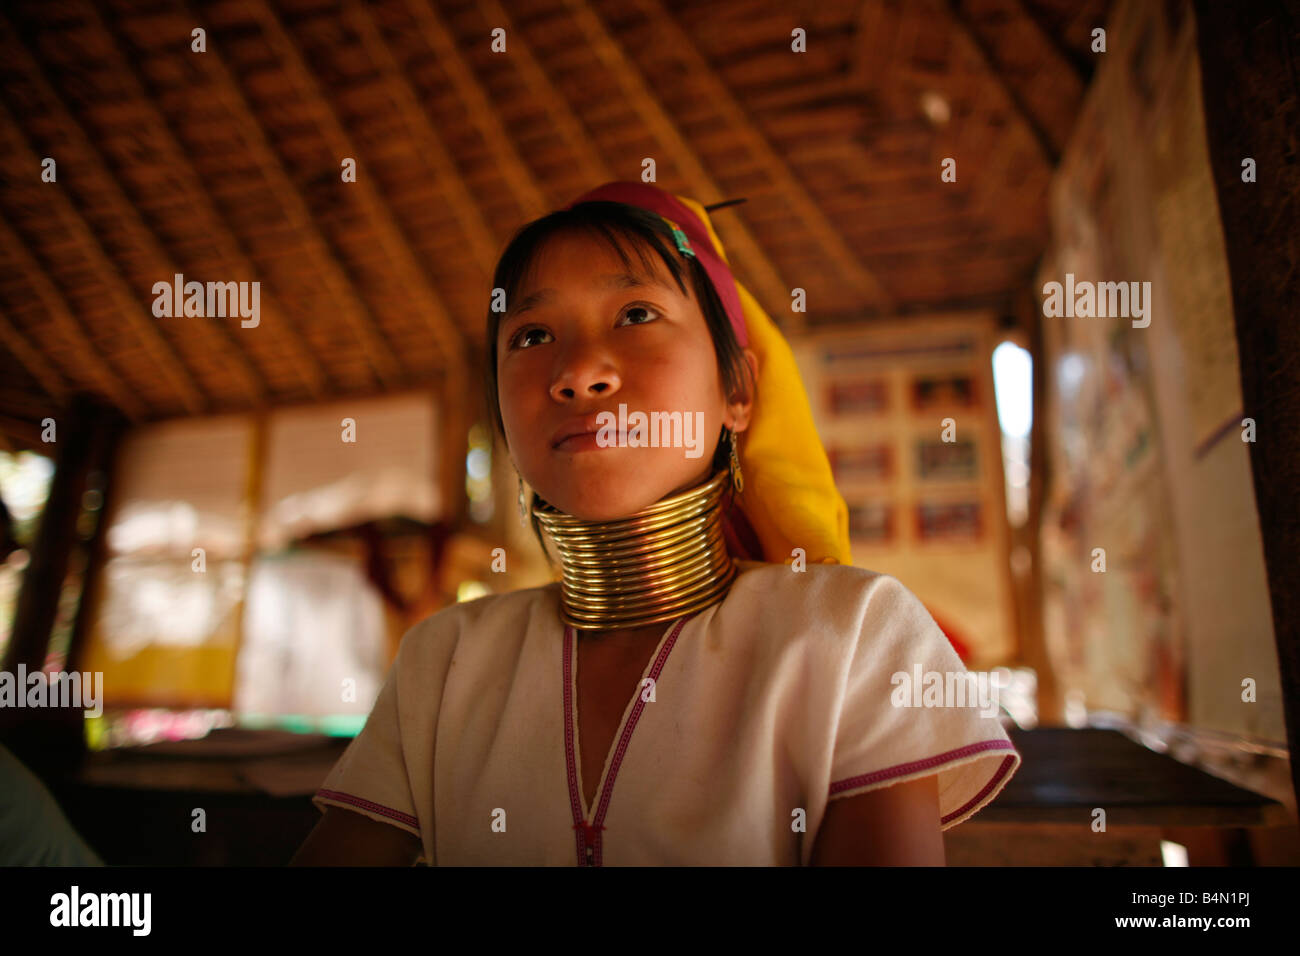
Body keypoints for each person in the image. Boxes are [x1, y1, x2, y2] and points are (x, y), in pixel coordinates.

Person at [291, 182, 1020, 866]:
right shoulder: (443, 663)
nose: (579, 371)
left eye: (636, 315)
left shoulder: (855, 637)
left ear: (737, 391)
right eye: (531, 335)